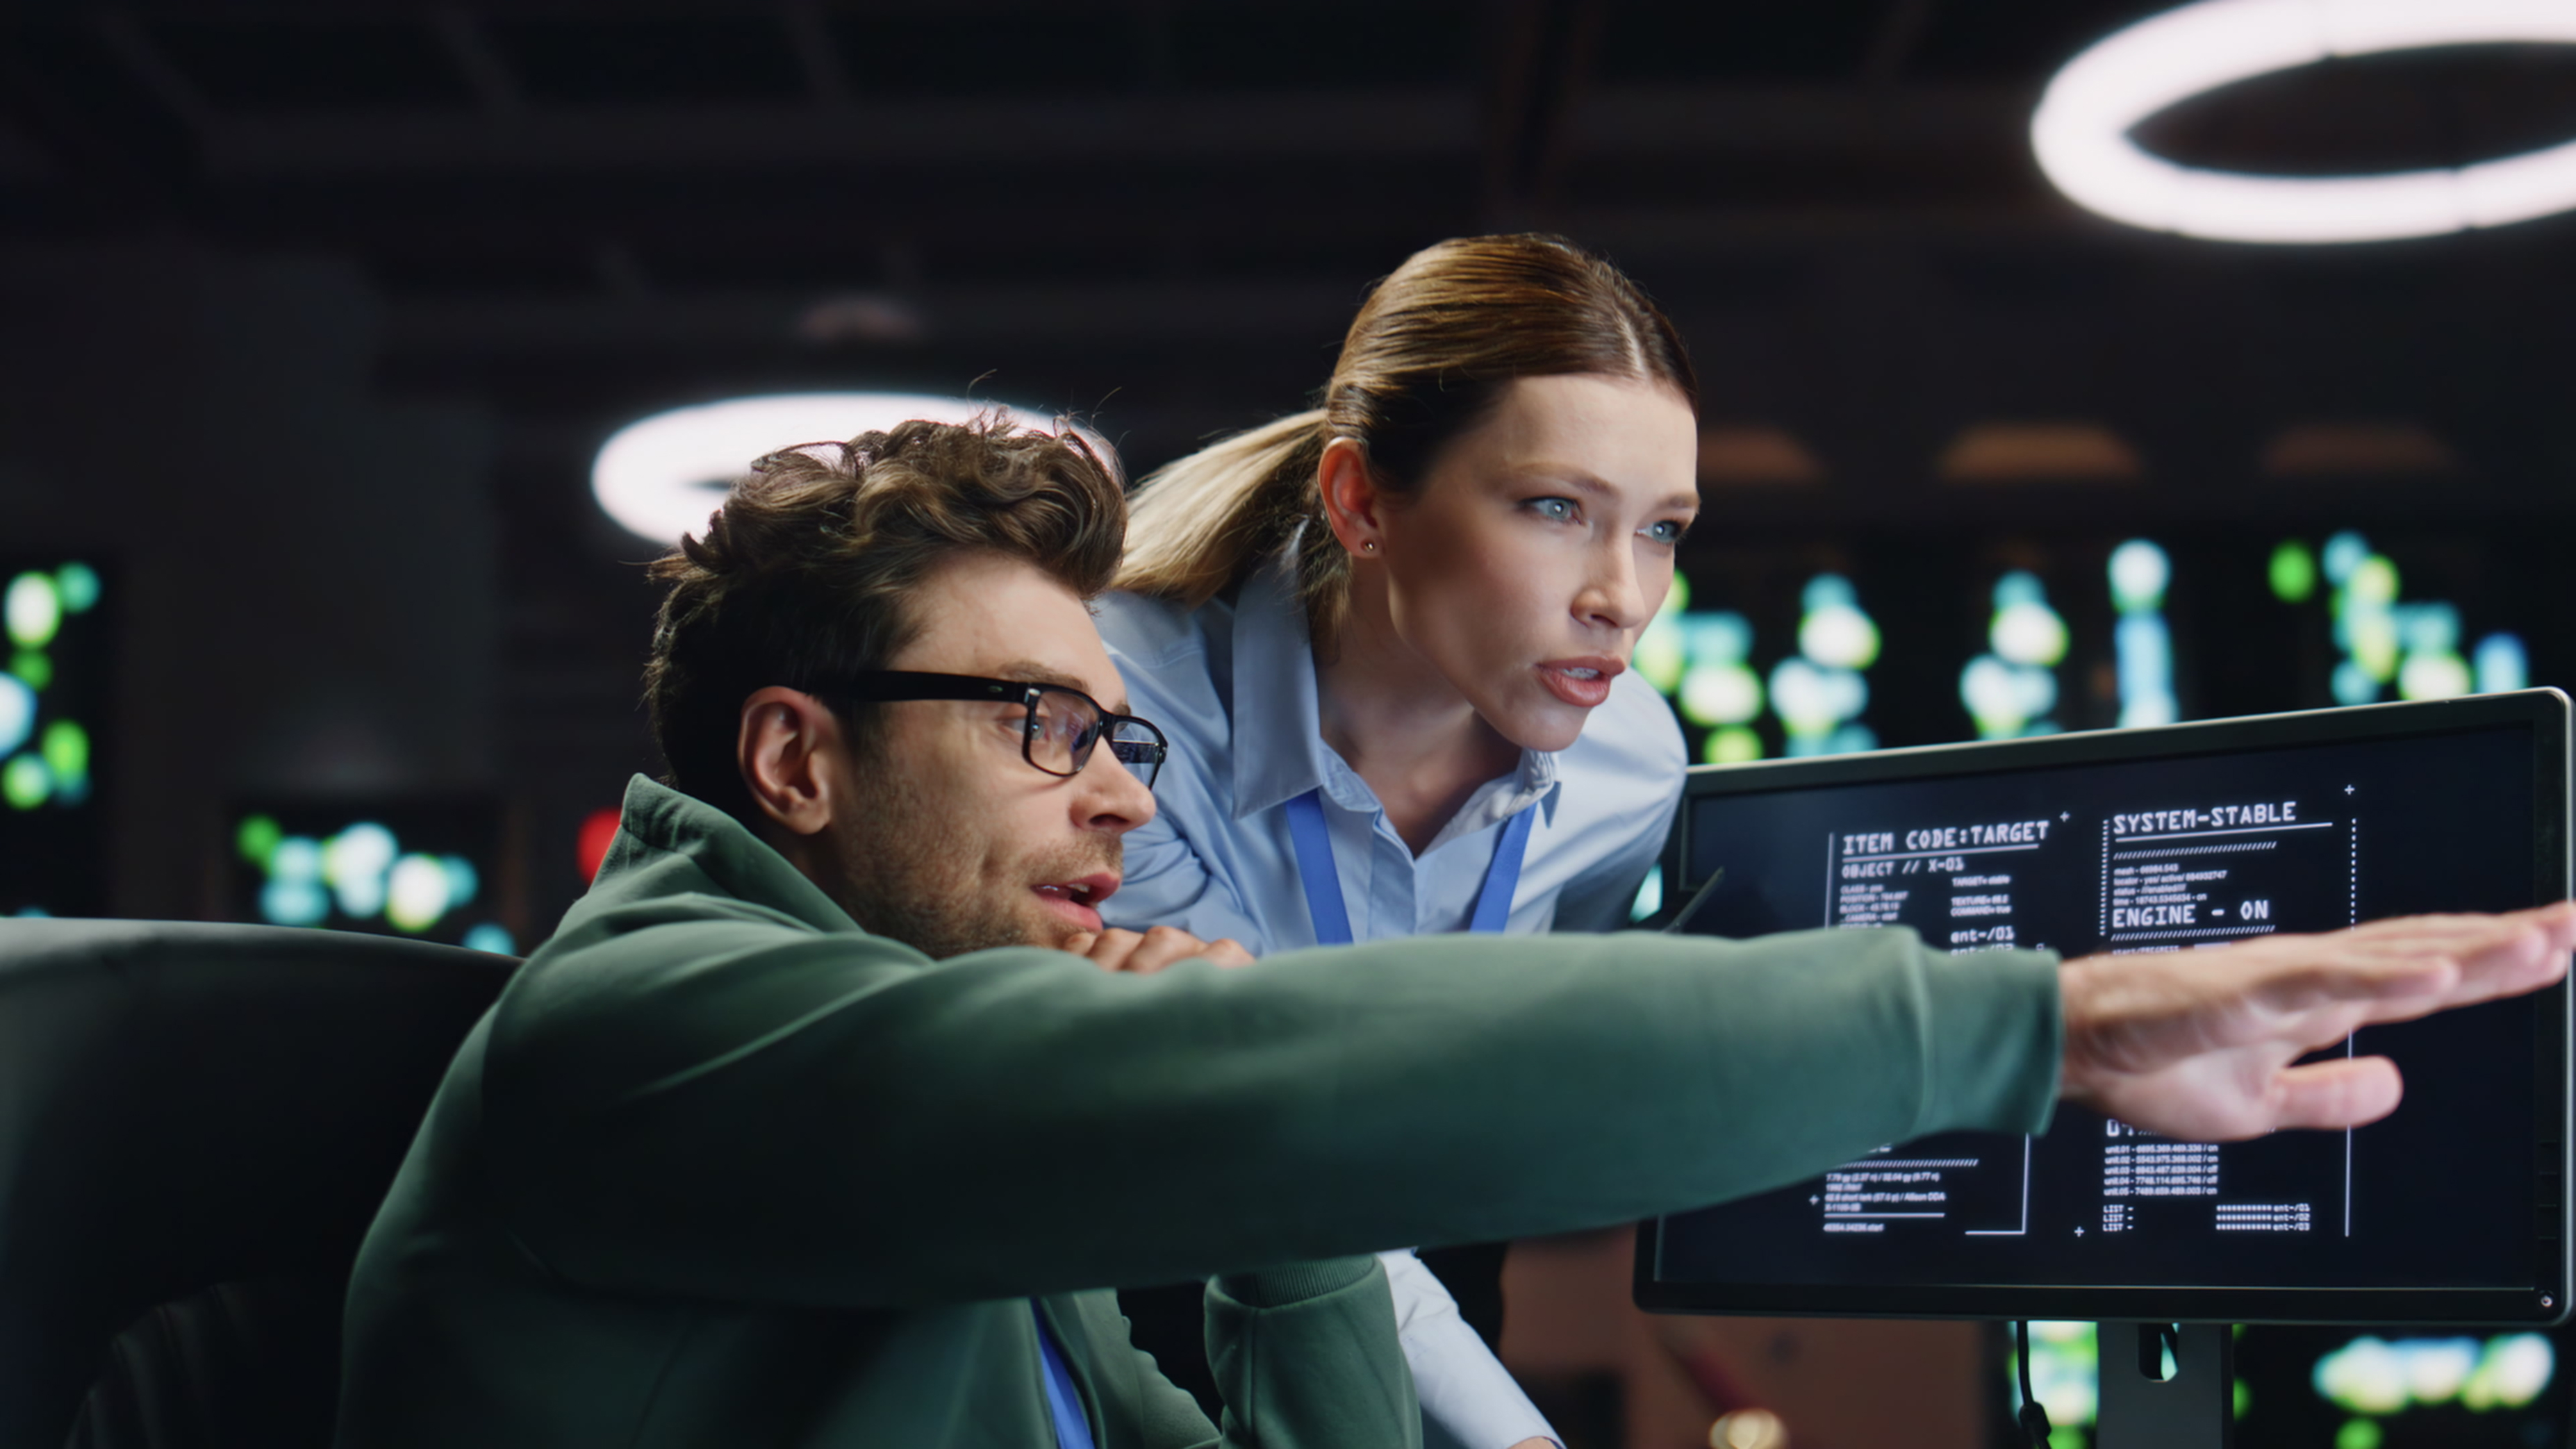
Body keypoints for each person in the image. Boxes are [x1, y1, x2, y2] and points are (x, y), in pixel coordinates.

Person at [336, 414, 2575, 1448]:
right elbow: (1279, 1082)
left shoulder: (936, 1144)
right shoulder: (651, 1027)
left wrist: (1279, 1220)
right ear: (799, 762)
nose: (1126, 787)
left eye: (1123, 728)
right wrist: (2034, 1024)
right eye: (1042, 723)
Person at [1096, 233, 1699, 1448]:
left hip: (1441, 1257)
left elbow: (1524, 1065)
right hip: (1148, 1272)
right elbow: (1255, 1124)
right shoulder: (1124, 716)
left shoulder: (1631, 763)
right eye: (1556, 509)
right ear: (1361, 501)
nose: (1622, 597)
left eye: (1663, 530)